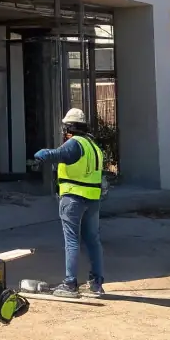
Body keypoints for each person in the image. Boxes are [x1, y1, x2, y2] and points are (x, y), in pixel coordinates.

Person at [33, 107, 106, 298]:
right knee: (93, 240)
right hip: (93, 199)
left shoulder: (75, 144)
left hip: (73, 197)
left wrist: (39, 154)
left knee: (72, 241)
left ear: (69, 128)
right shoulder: (94, 147)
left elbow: (55, 154)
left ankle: (70, 284)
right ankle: (97, 283)